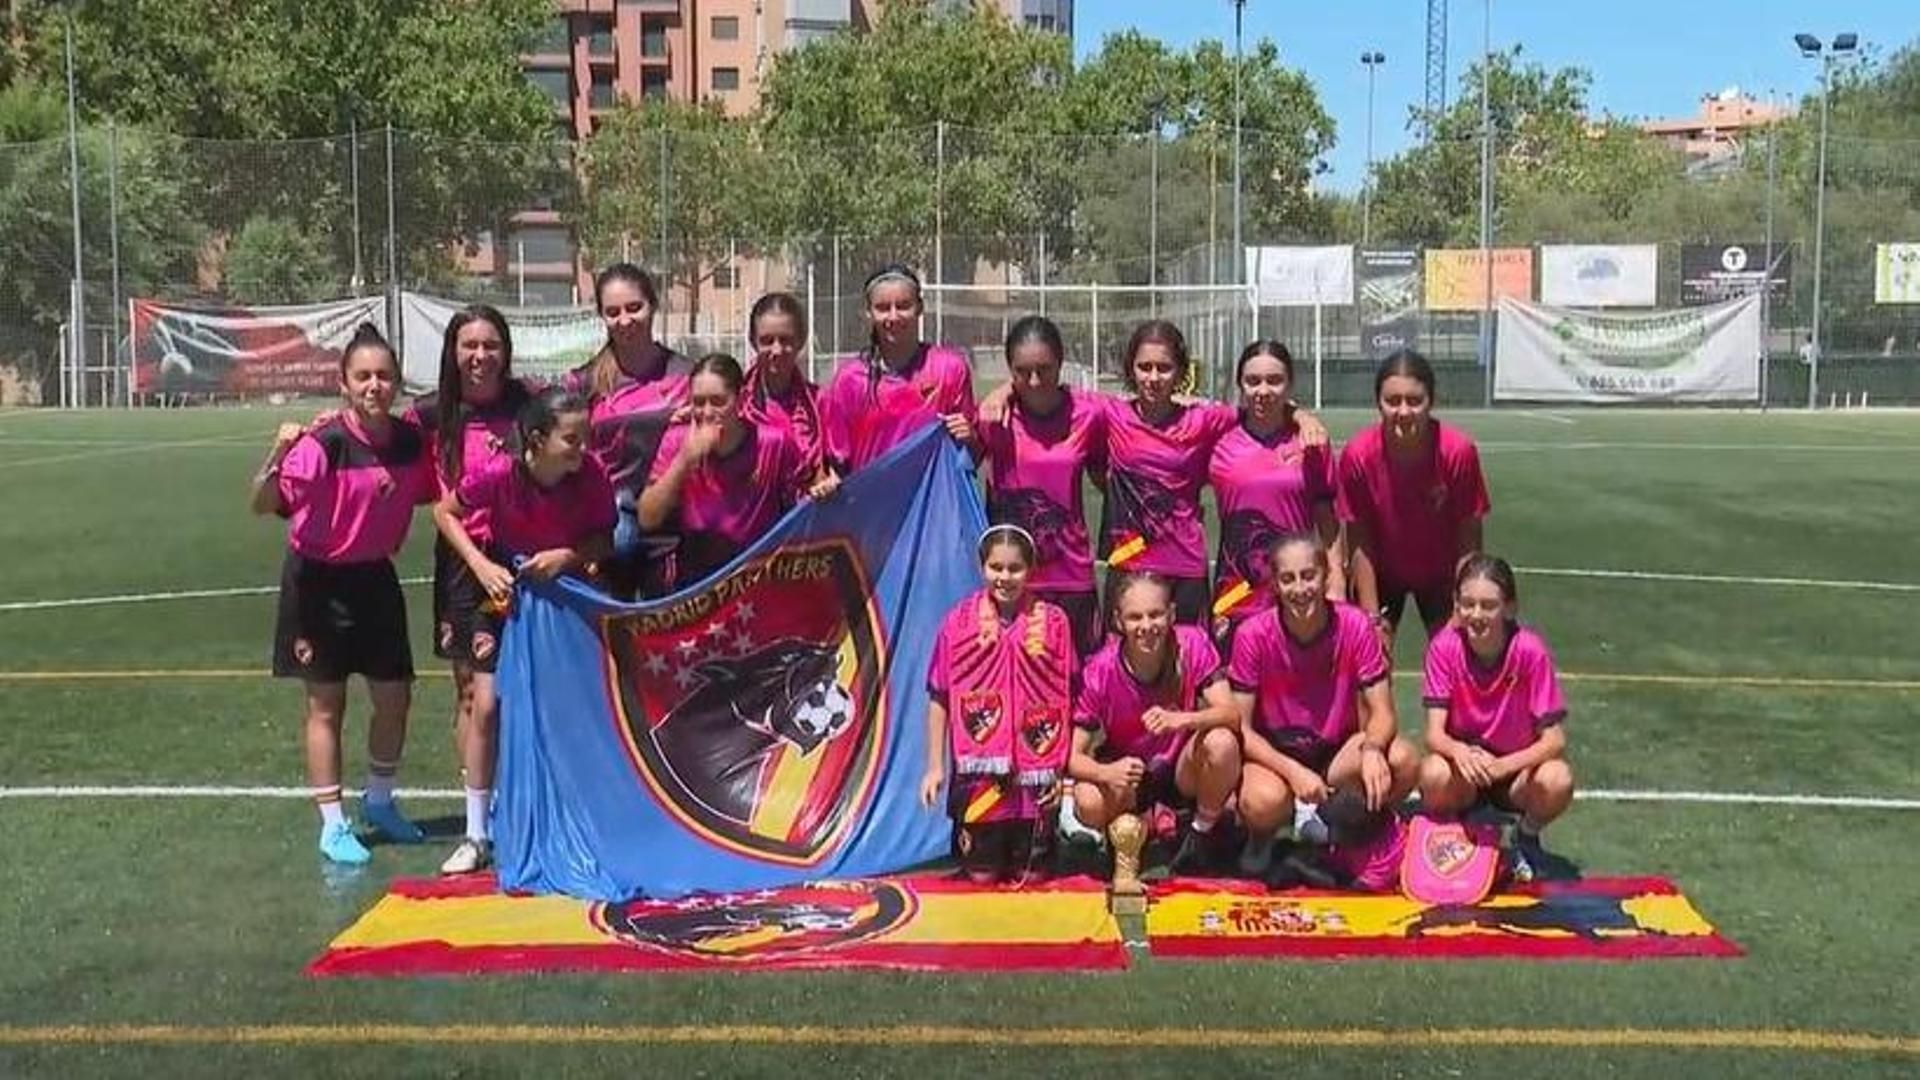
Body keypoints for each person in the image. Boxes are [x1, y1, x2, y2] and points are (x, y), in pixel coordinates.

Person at [250, 324, 433, 865]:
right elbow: (262, 503)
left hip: (375, 579)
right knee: (326, 705)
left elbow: (438, 489)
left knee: (394, 699)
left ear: (397, 383)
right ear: (344, 383)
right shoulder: (322, 443)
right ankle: (332, 824)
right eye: (363, 376)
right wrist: (278, 451)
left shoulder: (408, 443)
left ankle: (379, 802)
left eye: (384, 376)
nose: (374, 385)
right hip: (318, 583)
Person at [431, 386, 618, 873]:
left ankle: (573, 821)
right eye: (572, 439)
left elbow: (606, 539)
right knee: (487, 707)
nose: (583, 449)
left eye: (586, 437)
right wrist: (477, 562)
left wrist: (570, 556)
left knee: (567, 710)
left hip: (563, 594)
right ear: (537, 439)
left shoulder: (591, 475)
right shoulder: (498, 472)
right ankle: (476, 834)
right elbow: (444, 511)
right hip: (501, 591)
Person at [407, 305, 532, 844]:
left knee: (511, 693)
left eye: (490, 345)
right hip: (462, 560)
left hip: (524, 556)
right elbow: (373, 434)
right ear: (453, 352)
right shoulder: (431, 414)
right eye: (468, 345)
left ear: (505, 351)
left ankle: (524, 801)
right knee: (469, 693)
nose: (480, 356)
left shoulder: (529, 406)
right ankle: (481, 810)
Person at [1230, 533, 1420, 878]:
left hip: (1337, 756)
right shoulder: (1252, 634)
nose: (1300, 588)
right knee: (1261, 802)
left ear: (1326, 574)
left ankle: (1354, 829)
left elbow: (1383, 711)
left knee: (1403, 760)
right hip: (1278, 759)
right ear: (1274, 583)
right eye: (1287, 578)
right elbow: (1239, 728)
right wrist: (1293, 772)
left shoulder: (1356, 624)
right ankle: (1261, 838)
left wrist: (1374, 748)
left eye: (1308, 575)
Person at [920, 525, 1077, 884]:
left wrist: (1060, 769)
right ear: (982, 567)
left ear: (1030, 568)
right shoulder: (957, 623)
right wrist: (934, 767)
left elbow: (1067, 697)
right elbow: (939, 695)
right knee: (981, 876)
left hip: (1036, 773)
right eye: (996, 567)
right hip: (979, 774)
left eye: (1014, 568)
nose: (1004, 577)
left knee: (1033, 876)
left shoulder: (1054, 623)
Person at [1068, 571, 1241, 874]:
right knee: (1087, 800)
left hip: (1180, 770)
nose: (1147, 626)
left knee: (1222, 742)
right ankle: (1131, 833)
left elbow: (1231, 715)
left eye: (1155, 615)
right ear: (1118, 621)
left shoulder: (1193, 643)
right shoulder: (1100, 670)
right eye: (1135, 617)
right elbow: (1072, 757)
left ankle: (1199, 834)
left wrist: (1183, 720)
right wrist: (1106, 771)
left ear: (1171, 614)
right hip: (1130, 773)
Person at [1417, 555, 1573, 883]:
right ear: (1456, 606)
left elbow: (1555, 739)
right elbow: (1434, 734)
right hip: (1467, 770)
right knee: (1432, 773)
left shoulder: (1529, 650)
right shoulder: (1443, 648)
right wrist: (1461, 752)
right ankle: (1461, 833)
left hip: (1514, 774)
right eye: (1468, 604)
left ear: (1510, 608)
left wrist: (1504, 766)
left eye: (1488, 605)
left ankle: (1525, 836)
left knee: (1557, 779)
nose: (1476, 615)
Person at [1339, 349, 1490, 653]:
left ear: (1431, 402)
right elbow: (1359, 540)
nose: (1403, 411)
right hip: (1381, 571)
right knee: (1369, 662)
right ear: (1377, 403)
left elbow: (1469, 535)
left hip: (1442, 574)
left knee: (1456, 655)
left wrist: (1462, 603)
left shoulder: (1457, 451)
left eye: (1414, 400)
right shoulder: (1358, 455)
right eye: (1392, 401)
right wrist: (1371, 618)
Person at [638, 353, 833, 589]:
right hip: (698, 581)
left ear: (740, 400)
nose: (707, 412)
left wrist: (826, 488)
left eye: (718, 401)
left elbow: (812, 486)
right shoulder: (677, 441)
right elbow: (647, 518)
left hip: (758, 578)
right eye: (698, 402)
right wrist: (684, 461)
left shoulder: (773, 442)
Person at [976, 315, 1107, 657]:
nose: (1034, 381)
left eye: (1044, 369)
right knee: (1013, 683)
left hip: (1071, 576)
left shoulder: (1090, 413)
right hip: (1011, 580)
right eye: (1022, 372)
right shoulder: (992, 418)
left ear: (1061, 363)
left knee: (1079, 685)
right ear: (1010, 370)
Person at [563, 263, 693, 597]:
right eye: (613, 312)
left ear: (653, 305)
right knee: (607, 645)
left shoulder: (687, 375)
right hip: (605, 534)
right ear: (601, 317)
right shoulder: (582, 383)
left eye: (634, 308)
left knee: (664, 643)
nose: (625, 320)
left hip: (670, 534)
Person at [1208, 340, 1340, 646]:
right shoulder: (1218, 439)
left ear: (1290, 384)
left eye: (1274, 381)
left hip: (1297, 593)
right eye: (1253, 381)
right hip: (1236, 595)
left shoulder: (1311, 441)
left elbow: (1327, 519)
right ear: (1240, 384)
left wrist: (1336, 582)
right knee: (1234, 691)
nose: (1263, 391)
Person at [818, 264, 976, 475]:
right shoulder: (850, 379)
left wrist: (970, 437)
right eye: (883, 308)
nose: (893, 317)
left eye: (903, 306)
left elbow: (971, 456)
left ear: (920, 308)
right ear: (868, 313)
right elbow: (836, 463)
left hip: (932, 505)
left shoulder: (949, 369)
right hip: (874, 504)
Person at [741, 291, 830, 484]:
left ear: (801, 341)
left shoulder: (820, 404)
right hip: (751, 512)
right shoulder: (736, 404)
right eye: (767, 340)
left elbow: (835, 470)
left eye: (786, 340)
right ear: (752, 341)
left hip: (804, 511)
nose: (777, 350)